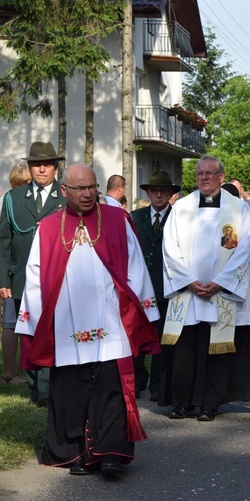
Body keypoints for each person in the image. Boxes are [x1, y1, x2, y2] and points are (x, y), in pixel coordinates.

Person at [16, 163, 160, 477]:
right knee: (71, 388)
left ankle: (110, 452)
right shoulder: (50, 226)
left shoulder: (117, 219)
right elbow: (35, 277)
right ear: (64, 190)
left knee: (111, 386)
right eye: (79, 189)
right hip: (68, 321)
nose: (87, 194)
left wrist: (144, 312)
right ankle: (75, 453)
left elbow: (136, 267)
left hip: (111, 318)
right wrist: (32, 322)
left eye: (91, 187)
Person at [160, 155, 250, 421]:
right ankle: (181, 402)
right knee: (185, 350)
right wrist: (188, 281)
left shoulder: (238, 209)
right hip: (188, 293)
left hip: (222, 292)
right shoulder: (181, 207)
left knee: (218, 349)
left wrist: (220, 283)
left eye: (209, 173)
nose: (204, 178)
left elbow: (244, 250)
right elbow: (169, 249)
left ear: (221, 176)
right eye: (199, 174)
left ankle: (210, 404)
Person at [0, 142, 67, 404]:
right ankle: (35, 387)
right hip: (21, 280)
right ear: (29, 167)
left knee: (53, 333)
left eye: (47, 164)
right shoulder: (13, 199)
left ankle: (49, 388)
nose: (42, 169)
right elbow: (3, 241)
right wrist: (3, 280)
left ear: (55, 167)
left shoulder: (65, 197)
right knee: (27, 336)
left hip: (57, 280)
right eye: (37, 164)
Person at [130, 171, 180, 402]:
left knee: (163, 338)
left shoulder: (179, 217)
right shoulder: (134, 216)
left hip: (165, 287)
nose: (158, 194)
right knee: (137, 336)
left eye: (163, 191)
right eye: (154, 190)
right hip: (138, 286)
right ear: (148, 193)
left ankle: (158, 384)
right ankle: (137, 381)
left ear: (171, 194)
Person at [1, 163, 31, 385]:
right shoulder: (10, 201)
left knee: (11, 323)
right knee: (12, 322)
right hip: (15, 270)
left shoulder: (6, 199)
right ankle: (11, 372)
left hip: (12, 270)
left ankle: (12, 371)